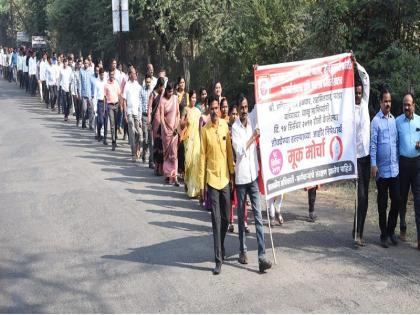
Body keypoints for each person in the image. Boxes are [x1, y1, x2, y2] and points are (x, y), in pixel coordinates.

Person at [231, 95, 272, 273]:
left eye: (246, 107)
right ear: (238, 108)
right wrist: (252, 138)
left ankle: (262, 255)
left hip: (253, 176)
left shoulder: (253, 118)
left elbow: (259, 104)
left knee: (258, 216)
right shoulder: (235, 128)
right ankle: (242, 250)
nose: (244, 110)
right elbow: (239, 151)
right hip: (241, 179)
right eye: (242, 107)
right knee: (242, 216)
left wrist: (258, 74)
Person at [199, 96, 235, 275]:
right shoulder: (205, 130)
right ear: (209, 110)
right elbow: (202, 156)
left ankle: (220, 243)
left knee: (227, 218)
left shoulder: (224, 126)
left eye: (216, 108)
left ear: (220, 111)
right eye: (211, 108)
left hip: (225, 179)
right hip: (212, 179)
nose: (214, 111)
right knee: (215, 219)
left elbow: (229, 151)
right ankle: (218, 259)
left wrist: (232, 172)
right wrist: (201, 183)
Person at [370, 88, 400, 248]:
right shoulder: (375, 122)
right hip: (381, 170)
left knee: (396, 201)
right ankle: (383, 234)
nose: (388, 104)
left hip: (394, 170)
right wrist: (373, 164)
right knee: (382, 204)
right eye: (385, 101)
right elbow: (373, 145)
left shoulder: (393, 120)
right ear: (380, 102)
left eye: (389, 101)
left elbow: (395, 144)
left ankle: (391, 231)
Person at [351, 57, 371, 246]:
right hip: (355, 159)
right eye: (356, 93)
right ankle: (358, 234)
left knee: (364, 198)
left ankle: (356, 229)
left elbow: (365, 79)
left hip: (367, 157)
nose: (358, 95)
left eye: (359, 93)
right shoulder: (348, 110)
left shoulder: (365, 103)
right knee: (362, 196)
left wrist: (356, 64)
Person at [396, 92, 420, 249]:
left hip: (417, 164)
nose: (406, 107)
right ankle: (403, 226)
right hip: (403, 164)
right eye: (404, 104)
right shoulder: (397, 121)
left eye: (409, 104)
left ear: (414, 105)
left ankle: (419, 238)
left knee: (418, 201)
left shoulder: (419, 120)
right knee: (402, 199)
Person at [159, 82, 180, 186]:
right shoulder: (162, 101)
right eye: (169, 91)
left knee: (174, 154)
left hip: (175, 130)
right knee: (167, 154)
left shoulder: (175, 98)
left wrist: (176, 126)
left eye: (172, 91)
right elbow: (161, 117)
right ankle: (168, 175)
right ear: (166, 91)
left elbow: (178, 114)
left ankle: (175, 176)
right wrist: (164, 127)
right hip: (166, 131)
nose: (170, 93)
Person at [182, 90, 202, 198]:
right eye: (192, 98)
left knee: (196, 164)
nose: (193, 100)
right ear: (189, 98)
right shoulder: (185, 110)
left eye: (195, 98)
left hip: (197, 140)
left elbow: (200, 127)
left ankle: (194, 190)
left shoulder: (198, 112)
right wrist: (185, 120)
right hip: (188, 139)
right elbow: (181, 124)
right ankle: (187, 183)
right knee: (188, 163)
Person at [123, 67, 143, 161]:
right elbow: (124, 100)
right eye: (132, 73)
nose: (134, 75)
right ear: (129, 74)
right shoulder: (126, 85)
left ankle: (137, 149)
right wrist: (125, 114)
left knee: (138, 133)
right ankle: (133, 153)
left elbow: (141, 101)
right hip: (129, 112)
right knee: (131, 129)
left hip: (137, 112)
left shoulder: (139, 87)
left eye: (135, 73)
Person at [150, 77, 166, 175]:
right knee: (156, 144)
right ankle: (156, 167)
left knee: (161, 145)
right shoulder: (153, 94)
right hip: (156, 121)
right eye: (162, 87)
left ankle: (161, 167)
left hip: (162, 121)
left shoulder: (163, 95)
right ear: (159, 86)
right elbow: (149, 108)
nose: (163, 89)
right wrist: (148, 120)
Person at [104, 69, 121, 151]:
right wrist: (105, 107)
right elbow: (104, 96)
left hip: (116, 105)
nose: (112, 76)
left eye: (113, 75)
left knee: (116, 124)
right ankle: (113, 142)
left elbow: (119, 94)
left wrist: (121, 105)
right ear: (109, 75)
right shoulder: (106, 84)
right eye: (110, 75)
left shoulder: (116, 83)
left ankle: (115, 140)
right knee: (112, 124)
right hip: (110, 105)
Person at [177, 76, 189, 181]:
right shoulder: (175, 95)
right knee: (178, 147)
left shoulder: (187, 96)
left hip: (185, 124)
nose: (182, 84)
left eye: (183, 82)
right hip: (176, 123)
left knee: (184, 146)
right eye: (180, 82)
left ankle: (184, 170)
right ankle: (178, 169)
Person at [140, 74, 154, 164]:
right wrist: (140, 116)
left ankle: (150, 159)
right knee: (145, 138)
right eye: (147, 82)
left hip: (152, 117)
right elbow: (140, 104)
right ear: (145, 81)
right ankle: (144, 153)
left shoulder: (153, 92)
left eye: (149, 82)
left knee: (150, 138)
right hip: (144, 116)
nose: (148, 83)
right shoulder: (142, 91)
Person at [80, 58, 93, 129]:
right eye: (84, 63)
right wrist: (79, 92)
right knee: (84, 109)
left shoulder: (91, 71)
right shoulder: (81, 71)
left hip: (90, 93)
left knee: (91, 109)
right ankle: (83, 123)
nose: (85, 64)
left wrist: (93, 93)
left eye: (87, 63)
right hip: (84, 93)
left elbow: (92, 82)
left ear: (89, 63)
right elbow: (80, 83)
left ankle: (91, 124)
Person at [93, 68, 106, 142]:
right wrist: (95, 107)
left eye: (103, 75)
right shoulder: (97, 83)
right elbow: (95, 96)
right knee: (100, 120)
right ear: (99, 75)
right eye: (101, 75)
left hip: (105, 102)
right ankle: (98, 132)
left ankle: (101, 134)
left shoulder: (105, 82)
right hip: (99, 102)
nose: (102, 76)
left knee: (104, 119)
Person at [72, 59, 83, 127]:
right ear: (77, 65)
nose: (80, 65)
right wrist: (76, 93)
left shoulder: (85, 72)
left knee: (82, 107)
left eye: (81, 64)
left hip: (83, 92)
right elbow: (75, 84)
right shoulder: (75, 73)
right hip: (77, 92)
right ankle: (77, 120)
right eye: (79, 64)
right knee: (77, 107)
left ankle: (82, 119)